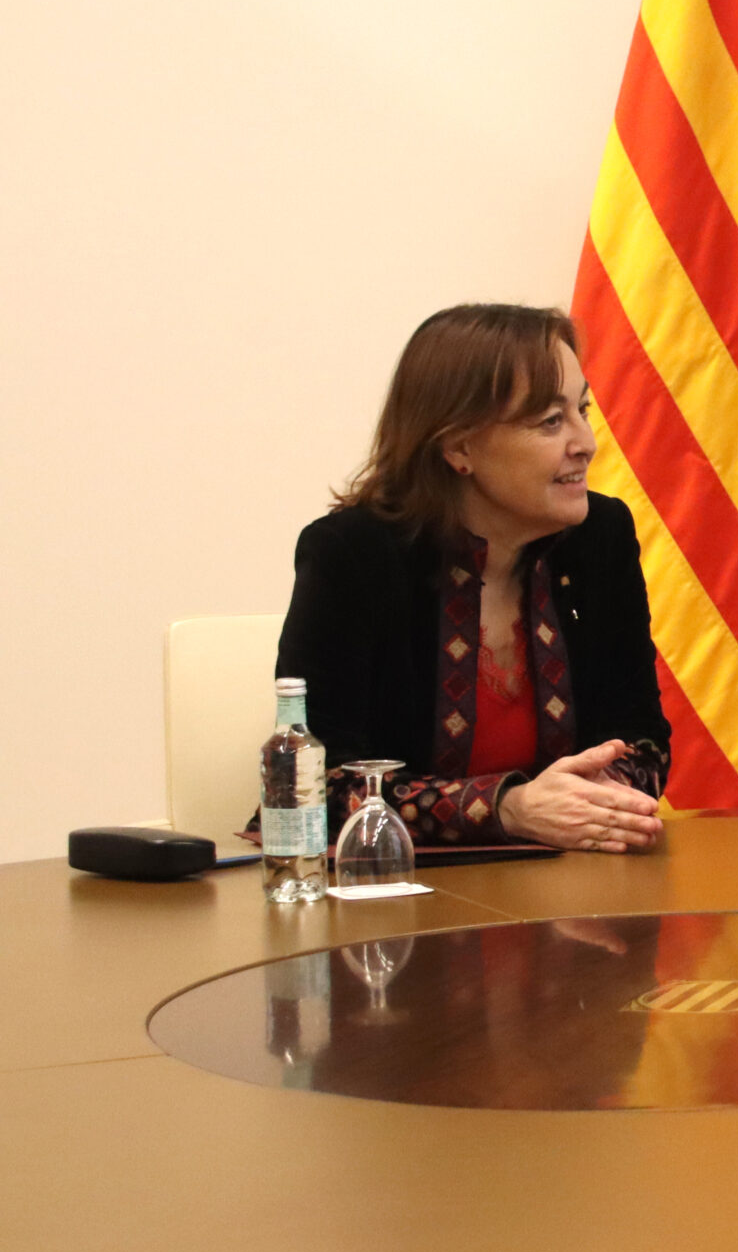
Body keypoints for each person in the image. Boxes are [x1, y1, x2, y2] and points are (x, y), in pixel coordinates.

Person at [272, 304, 671, 853]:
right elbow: (317, 782)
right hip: (389, 890)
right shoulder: (352, 554)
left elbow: (643, 737)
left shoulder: (600, 538)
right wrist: (506, 808)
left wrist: (597, 796)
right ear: (459, 447)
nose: (586, 442)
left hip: (565, 881)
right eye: (550, 422)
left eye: (581, 410)